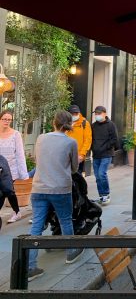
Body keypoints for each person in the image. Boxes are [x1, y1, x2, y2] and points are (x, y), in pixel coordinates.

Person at [28, 110, 82, 281]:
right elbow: (74, 168)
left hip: (38, 188)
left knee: (36, 226)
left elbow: (39, 161)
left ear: (54, 122)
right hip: (60, 188)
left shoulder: (40, 138)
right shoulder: (71, 142)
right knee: (65, 220)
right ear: (69, 124)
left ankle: (30, 267)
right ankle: (71, 252)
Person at [0, 110, 28, 223]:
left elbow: (20, 154)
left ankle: (16, 213)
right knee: (6, 191)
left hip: (10, 169)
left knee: (6, 191)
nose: (6, 121)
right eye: (4, 119)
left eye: (9, 119)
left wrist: (23, 172)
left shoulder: (15, 134)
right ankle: (17, 212)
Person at [91, 106, 118, 205]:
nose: (97, 115)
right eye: (96, 114)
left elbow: (114, 139)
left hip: (106, 154)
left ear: (104, 113)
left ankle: (106, 194)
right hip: (96, 154)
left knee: (102, 174)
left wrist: (105, 147)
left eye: (99, 113)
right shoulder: (93, 126)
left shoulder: (111, 125)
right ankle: (101, 196)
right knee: (97, 176)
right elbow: (91, 139)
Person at [66, 105, 92, 175]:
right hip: (66, 154)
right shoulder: (65, 123)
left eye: (76, 113)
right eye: (72, 114)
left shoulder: (84, 123)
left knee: (77, 176)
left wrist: (82, 154)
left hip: (78, 156)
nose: (74, 115)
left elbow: (87, 140)